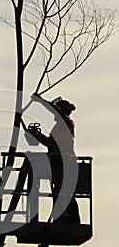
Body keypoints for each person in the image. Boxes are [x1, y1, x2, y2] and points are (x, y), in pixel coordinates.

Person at [29, 95, 80, 224]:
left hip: (66, 163)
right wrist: (38, 136)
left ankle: (69, 218)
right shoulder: (58, 127)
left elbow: (55, 111)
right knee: (59, 191)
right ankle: (62, 217)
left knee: (64, 192)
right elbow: (50, 143)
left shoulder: (66, 123)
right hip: (58, 162)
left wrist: (41, 101)